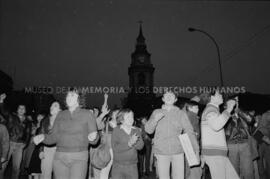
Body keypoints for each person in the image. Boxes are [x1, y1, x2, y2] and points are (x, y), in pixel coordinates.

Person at [34, 89, 99, 179]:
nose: (69, 97)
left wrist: (93, 138)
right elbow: (53, 138)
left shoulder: (87, 114)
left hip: (79, 158)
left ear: (79, 98)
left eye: (72, 95)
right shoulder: (60, 115)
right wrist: (43, 137)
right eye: (68, 95)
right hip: (60, 158)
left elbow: (94, 140)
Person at [145, 91, 199, 179]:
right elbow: (148, 130)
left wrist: (196, 150)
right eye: (166, 95)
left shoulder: (180, 113)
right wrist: (155, 120)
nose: (169, 97)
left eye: (171, 95)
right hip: (161, 152)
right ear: (163, 99)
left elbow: (189, 132)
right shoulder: (156, 112)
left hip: (178, 152)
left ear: (175, 99)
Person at [201, 90, 239, 179]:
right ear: (212, 97)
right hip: (215, 154)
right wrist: (229, 108)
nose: (221, 95)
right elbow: (216, 125)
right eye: (219, 94)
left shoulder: (213, 109)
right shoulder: (210, 109)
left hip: (217, 153)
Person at [0, 104, 32, 179]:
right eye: (19, 108)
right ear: (17, 110)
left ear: (25, 111)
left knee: (16, 168)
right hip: (9, 143)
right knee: (3, 166)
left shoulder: (28, 121)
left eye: (23, 108)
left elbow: (28, 133)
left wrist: (26, 144)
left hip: (19, 146)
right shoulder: (11, 116)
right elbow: (4, 112)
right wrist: (1, 102)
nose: (21, 109)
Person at [111, 109, 144, 179]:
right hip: (118, 166)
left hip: (132, 166)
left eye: (132, 117)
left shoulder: (136, 130)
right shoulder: (116, 130)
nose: (131, 119)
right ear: (122, 119)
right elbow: (115, 148)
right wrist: (129, 144)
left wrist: (134, 142)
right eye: (128, 117)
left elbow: (141, 146)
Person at [225, 104, 256, 179]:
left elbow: (251, 120)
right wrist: (229, 112)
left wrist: (240, 112)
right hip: (230, 144)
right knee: (233, 170)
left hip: (244, 144)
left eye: (236, 101)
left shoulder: (242, 113)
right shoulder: (225, 112)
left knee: (248, 170)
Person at [39, 101, 61, 179]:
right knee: (45, 173)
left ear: (59, 110)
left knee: (59, 174)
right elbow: (41, 136)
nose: (51, 107)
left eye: (55, 105)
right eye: (51, 105)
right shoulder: (45, 120)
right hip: (47, 149)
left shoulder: (63, 121)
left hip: (60, 150)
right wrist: (41, 150)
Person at [185, 100, 202, 179]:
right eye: (196, 107)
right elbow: (193, 132)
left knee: (189, 168)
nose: (198, 109)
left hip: (188, 144)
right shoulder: (192, 115)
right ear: (190, 108)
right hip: (192, 145)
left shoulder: (187, 115)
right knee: (194, 170)